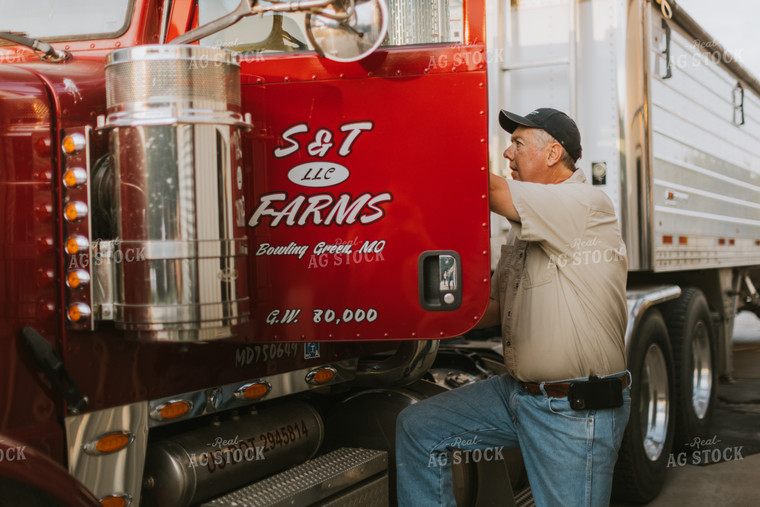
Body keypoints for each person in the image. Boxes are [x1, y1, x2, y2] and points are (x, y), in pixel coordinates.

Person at [395, 108, 631, 507]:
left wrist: (417, 144)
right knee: (419, 428)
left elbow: (486, 190)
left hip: (572, 409)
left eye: (518, 143)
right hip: (518, 396)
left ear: (553, 153)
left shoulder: (583, 203)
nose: (507, 153)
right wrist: (411, 315)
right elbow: (494, 308)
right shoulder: (526, 228)